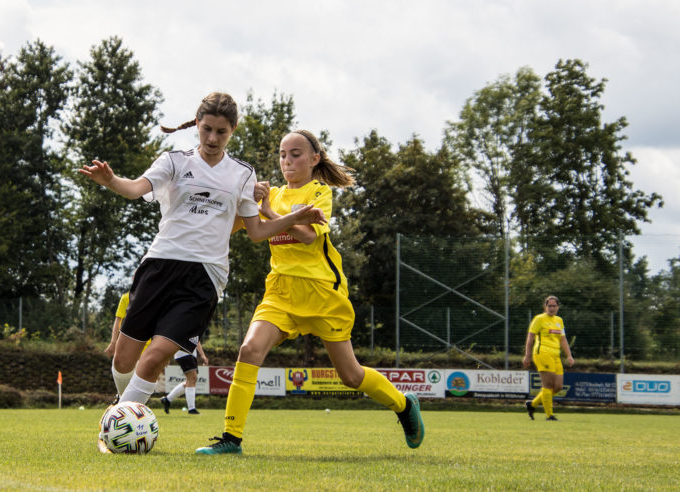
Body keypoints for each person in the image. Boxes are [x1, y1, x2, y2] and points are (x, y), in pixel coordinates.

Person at [78, 93, 326, 414]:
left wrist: (292, 218)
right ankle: (124, 406)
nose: (212, 138)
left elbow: (256, 233)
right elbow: (135, 188)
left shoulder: (242, 173)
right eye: (206, 129)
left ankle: (119, 422)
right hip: (159, 265)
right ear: (197, 124)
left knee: (155, 357)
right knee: (124, 359)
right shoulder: (174, 160)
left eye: (221, 132)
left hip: (205, 277)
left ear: (233, 130)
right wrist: (110, 180)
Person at [195, 130, 424, 455]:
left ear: (315, 159)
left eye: (296, 153)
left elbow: (305, 236)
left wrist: (271, 213)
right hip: (281, 293)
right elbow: (235, 228)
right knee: (249, 350)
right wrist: (241, 197)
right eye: (282, 154)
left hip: (322, 296)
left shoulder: (320, 192)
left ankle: (403, 404)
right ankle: (231, 440)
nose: (287, 160)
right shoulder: (269, 194)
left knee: (351, 375)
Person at [522, 295, 575, 421]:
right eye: (549, 306)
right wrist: (527, 355)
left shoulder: (559, 320)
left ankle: (532, 404)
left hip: (555, 355)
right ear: (545, 307)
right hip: (542, 353)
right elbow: (530, 338)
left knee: (558, 387)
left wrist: (569, 355)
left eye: (554, 306)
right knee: (548, 385)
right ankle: (549, 415)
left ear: (558, 307)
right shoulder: (539, 319)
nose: (552, 308)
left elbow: (563, 339)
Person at [160, 343, 209, 414]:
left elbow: (196, 339)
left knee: (191, 381)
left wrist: (202, 355)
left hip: (191, 353)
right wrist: (167, 356)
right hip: (184, 353)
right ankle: (191, 409)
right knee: (192, 379)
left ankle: (167, 399)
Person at [103, 292, 131, 358]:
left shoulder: (155, 297)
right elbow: (118, 320)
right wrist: (113, 343)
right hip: (127, 348)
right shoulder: (126, 297)